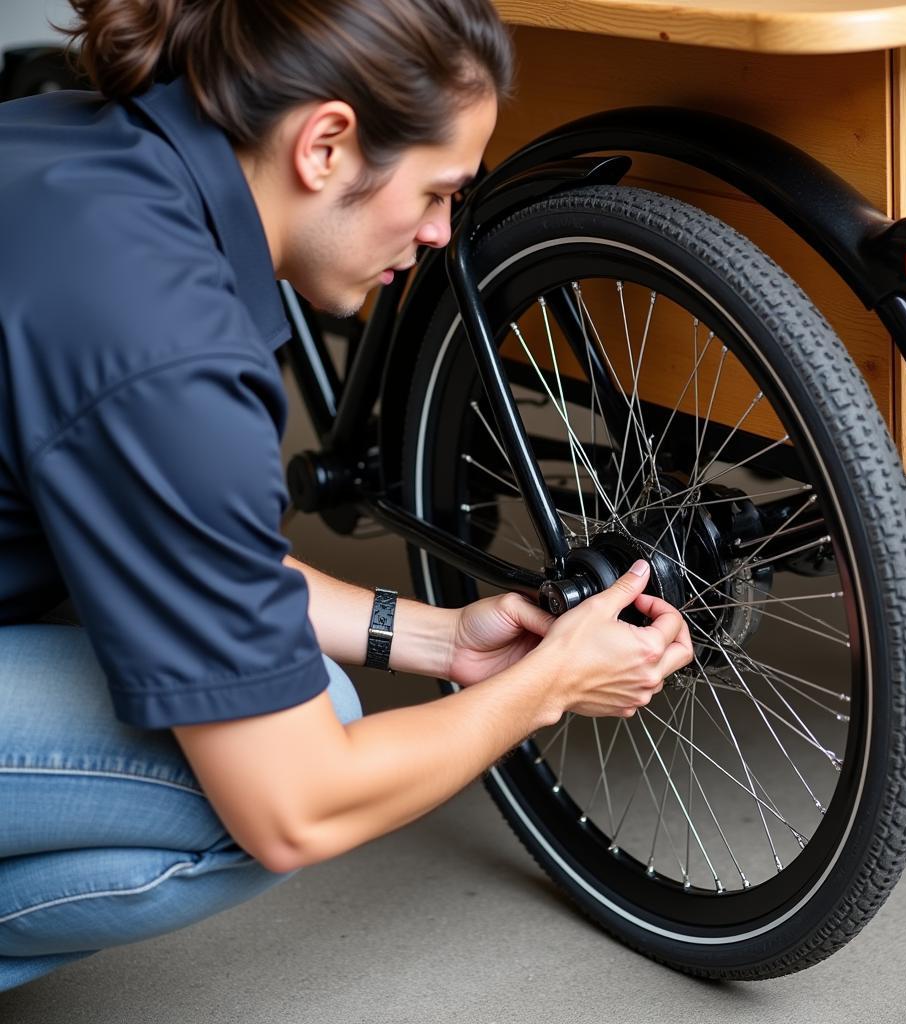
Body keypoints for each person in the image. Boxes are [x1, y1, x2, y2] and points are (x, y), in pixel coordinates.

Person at [0, 0, 694, 993]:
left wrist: (441, 640)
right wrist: (541, 689)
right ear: (325, 143)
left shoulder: (67, 145)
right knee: (257, 764)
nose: (442, 232)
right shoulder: (165, 348)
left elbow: (190, 551)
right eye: (436, 191)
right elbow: (293, 805)